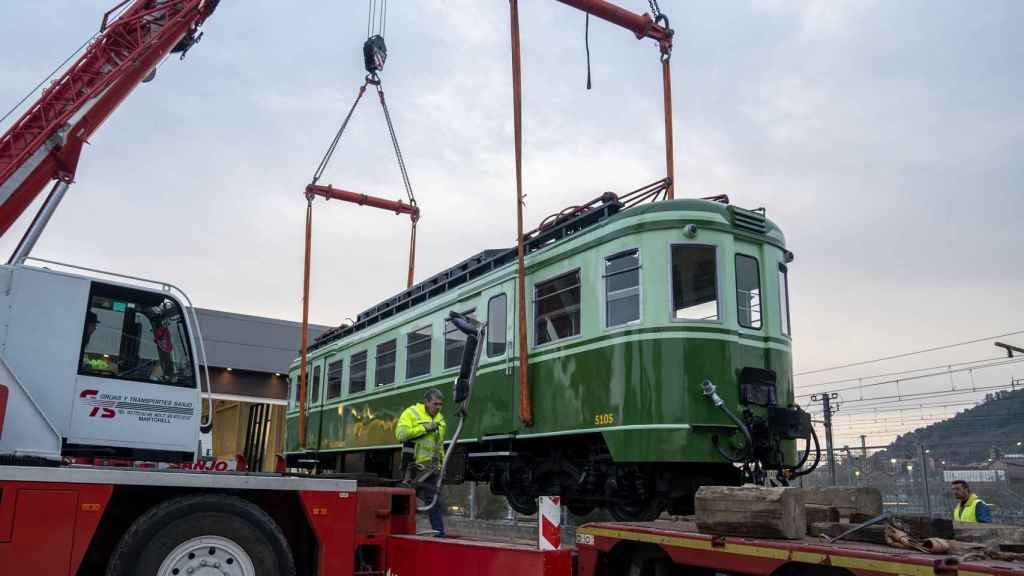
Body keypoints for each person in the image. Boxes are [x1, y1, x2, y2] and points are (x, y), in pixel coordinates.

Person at [396, 388, 447, 536]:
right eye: (435, 404)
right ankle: (403, 530)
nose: (438, 407)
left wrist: (442, 466)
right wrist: (424, 428)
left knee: (434, 502)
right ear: (426, 402)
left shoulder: (440, 419)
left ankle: (439, 534)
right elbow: (401, 434)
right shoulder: (411, 413)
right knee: (406, 500)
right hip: (413, 468)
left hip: (432, 468)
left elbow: (439, 445)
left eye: (440, 405)